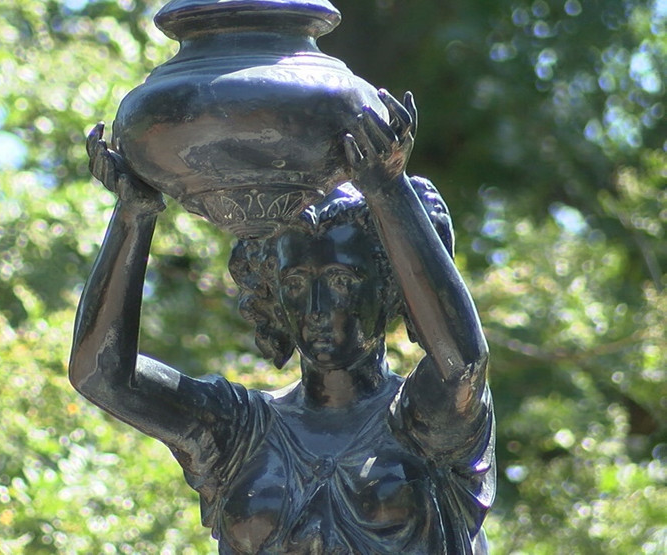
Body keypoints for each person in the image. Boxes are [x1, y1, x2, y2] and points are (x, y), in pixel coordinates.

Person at [69, 90, 495, 554]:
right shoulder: (238, 429)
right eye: (294, 284)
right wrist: (134, 215)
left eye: (338, 280)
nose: (315, 305)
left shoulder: (422, 420)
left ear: (390, 287)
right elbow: (102, 375)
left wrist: (388, 190)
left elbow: (462, 366)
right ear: (272, 296)